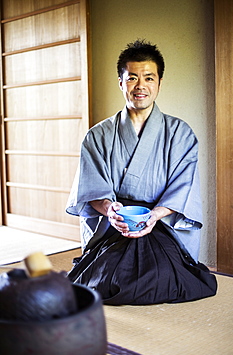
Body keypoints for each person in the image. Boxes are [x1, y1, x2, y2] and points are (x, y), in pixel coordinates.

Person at [66, 40, 217, 305]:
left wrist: (154, 216)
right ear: (121, 82)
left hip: (159, 223)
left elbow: (184, 187)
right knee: (105, 279)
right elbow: (91, 188)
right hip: (115, 225)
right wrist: (111, 211)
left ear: (159, 82)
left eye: (149, 77)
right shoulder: (98, 136)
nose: (140, 86)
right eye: (132, 77)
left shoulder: (180, 134)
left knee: (163, 277)